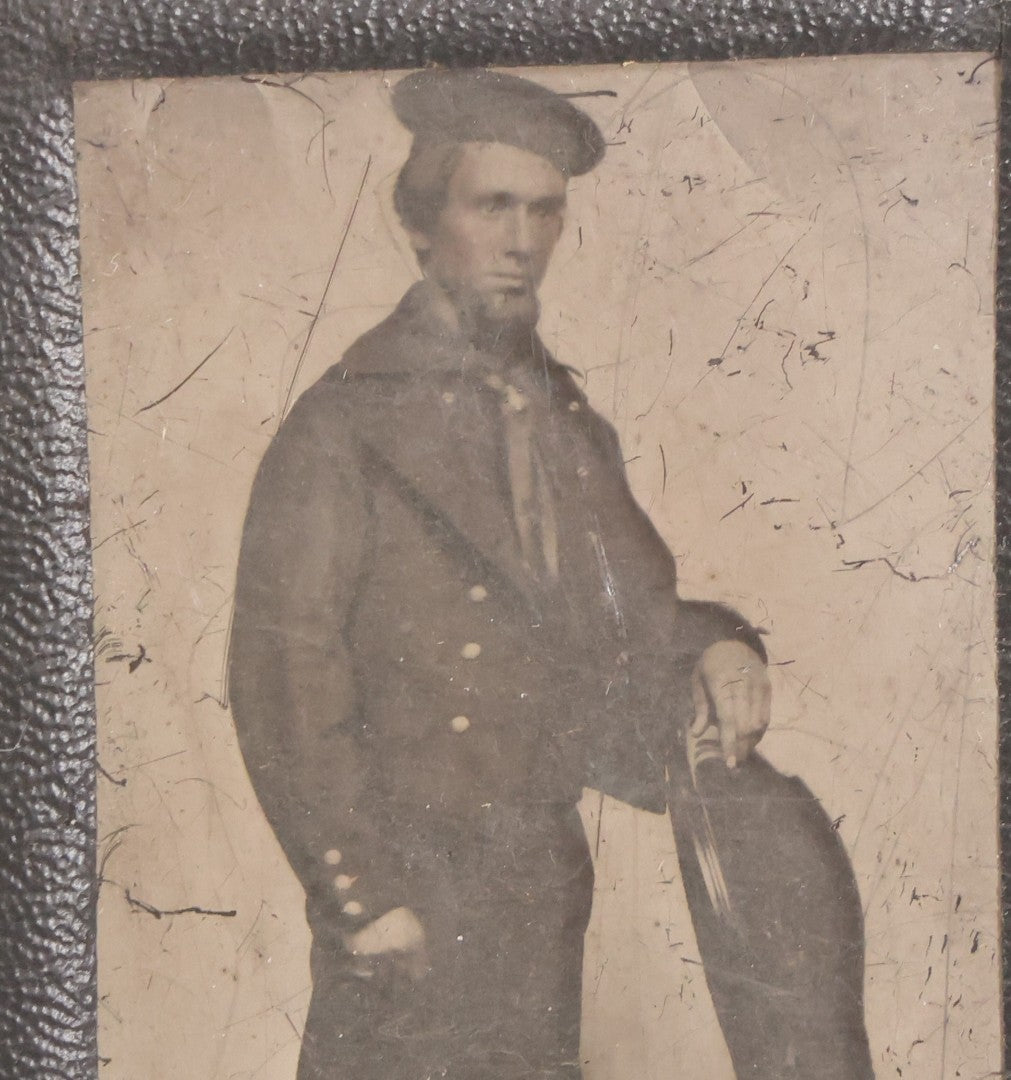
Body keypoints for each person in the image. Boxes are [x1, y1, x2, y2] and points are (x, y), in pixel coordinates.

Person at [229, 69, 873, 1080]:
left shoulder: (563, 424)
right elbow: (286, 675)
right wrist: (362, 896)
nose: (522, 239)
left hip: (535, 890)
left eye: (544, 211)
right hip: (408, 901)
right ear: (421, 221)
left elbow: (625, 615)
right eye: (493, 206)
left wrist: (718, 642)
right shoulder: (346, 424)